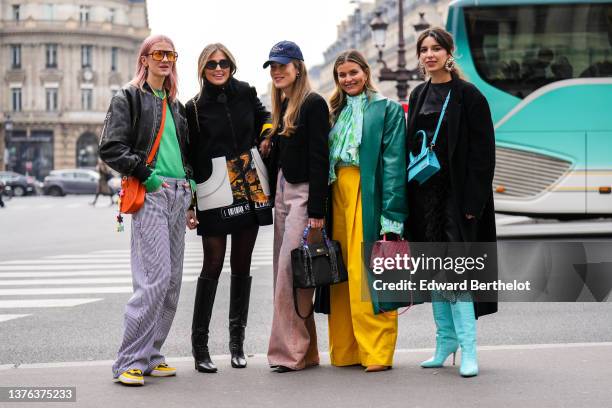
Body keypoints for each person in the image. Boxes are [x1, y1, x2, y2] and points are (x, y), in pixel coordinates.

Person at [99, 34, 197, 386]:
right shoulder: (129, 97)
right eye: (158, 53)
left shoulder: (176, 104)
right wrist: (148, 176)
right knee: (153, 280)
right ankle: (128, 361)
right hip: (152, 193)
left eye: (171, 53)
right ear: (144, 59)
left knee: (171, 283)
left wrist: (191, 195)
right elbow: (110, 147)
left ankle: (152, 354)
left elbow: (184, 155)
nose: (165, 59)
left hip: (179, 193)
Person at [405, 27, 497, 378]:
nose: (429, 55)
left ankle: (469, 350)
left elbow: (483, 153)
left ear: (449, 53)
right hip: (424, 196)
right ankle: (445, 343)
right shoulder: (418, 93)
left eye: (436, 49)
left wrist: (474, 202)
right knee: (433, 273)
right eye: (424, 50)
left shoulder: (468, 95)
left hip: (457, 198)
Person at [185, 43, 273, 373]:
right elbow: (189, 158)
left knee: (242, 263)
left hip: (248, 178)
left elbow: (265, 117)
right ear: (202, 69)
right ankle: (200, 347)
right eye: (212, 64)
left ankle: (237, 344)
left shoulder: (247, 92)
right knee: (212, 264)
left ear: (232, 65)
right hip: (213, 186)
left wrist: (265, 134)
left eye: (224, 63)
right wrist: (190, 202)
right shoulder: (192, 108)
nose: (219, 68)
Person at [326, 50, 408, 373]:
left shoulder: (386, 110)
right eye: (342, 75)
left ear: (366, 71)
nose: (348, 79)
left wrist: (392, 216)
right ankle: (346, 350)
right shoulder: (335, 111)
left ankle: (376, 351)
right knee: (341, 275)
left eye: (353, 72)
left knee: (368, 273)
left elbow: (393, 165)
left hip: (367, 188)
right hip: (337, 191)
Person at [263, 41, 330, 373]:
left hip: (303, 196)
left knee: (289, 276)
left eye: (282, 65)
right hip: (282, 193)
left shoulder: (313, 103)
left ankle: (288, 353)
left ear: (298, 67)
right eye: (273, 67)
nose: (277, 71)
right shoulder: (284, 104)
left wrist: (317, 211)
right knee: (289, 272)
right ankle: (307, 351)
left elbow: (320, 158)